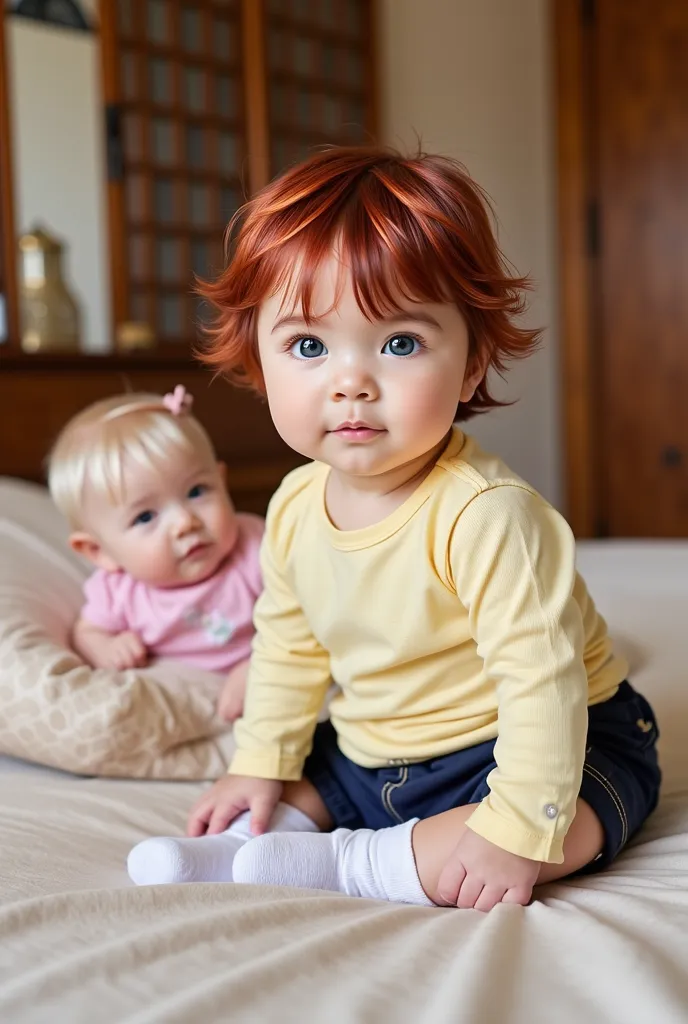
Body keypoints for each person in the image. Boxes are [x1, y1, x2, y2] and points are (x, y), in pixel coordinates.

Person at [127, 147, 660, 911]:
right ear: (260, 361)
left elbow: (541, 682)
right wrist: (259, 764)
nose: (350, 381)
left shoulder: (486, 515)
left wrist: (515, 829)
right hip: (381, 745)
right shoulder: (293, 506)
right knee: (318, 774)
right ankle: (245, 844)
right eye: (308, 346)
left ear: (473, 363)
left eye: (399, 343)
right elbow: (287, 644)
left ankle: (357, 865)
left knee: (547, 833)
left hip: (543, 741)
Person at [47, 386, 264, 723]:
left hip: (268, 677)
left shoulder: (256, 548)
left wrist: (261, 666)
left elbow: (308, 618)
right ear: (98, 551)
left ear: (221, 482)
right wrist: (105, 648)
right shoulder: (118, 592)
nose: (184, 523)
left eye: (196, 491)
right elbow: (86, 632)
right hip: (188, 705)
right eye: (145, 517)